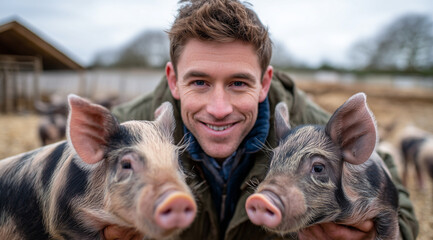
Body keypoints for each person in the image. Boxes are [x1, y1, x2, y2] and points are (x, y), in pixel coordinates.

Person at [104, 0, 419, 239]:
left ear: (264, 83)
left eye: (238, 83)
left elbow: (401, 213)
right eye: (199, 82)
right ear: (173, 81)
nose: (218, 108)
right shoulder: (122, 134)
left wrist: (369, 234)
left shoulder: (318, 133)